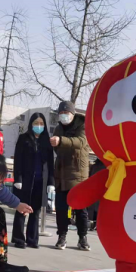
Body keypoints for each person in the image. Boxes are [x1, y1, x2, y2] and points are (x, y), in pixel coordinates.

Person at [51, 100, 90, 251]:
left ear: (73, 114)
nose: (63, 116)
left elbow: (81, 142)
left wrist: (61, 141)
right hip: (61, 174)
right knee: (61, 208)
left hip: (78, 175)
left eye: (66, 113)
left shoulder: (82, 125)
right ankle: (62, 236)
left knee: (81, 209)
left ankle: (83, 238)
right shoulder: (58, 128)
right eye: (61, 113)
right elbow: (57, 149)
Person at [12, 113, 55, 249]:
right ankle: (19, 238)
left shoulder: (46, 141)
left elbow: (50, 164)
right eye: (36, 123)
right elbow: (18, 160)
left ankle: (32, 239)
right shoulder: (23, 138)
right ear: (31, 124)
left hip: (40, 181)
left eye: (41, 123)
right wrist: (17, 178)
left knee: (35, 211)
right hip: (25, 180)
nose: (39, 126)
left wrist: (51, 182)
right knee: (22, 209)